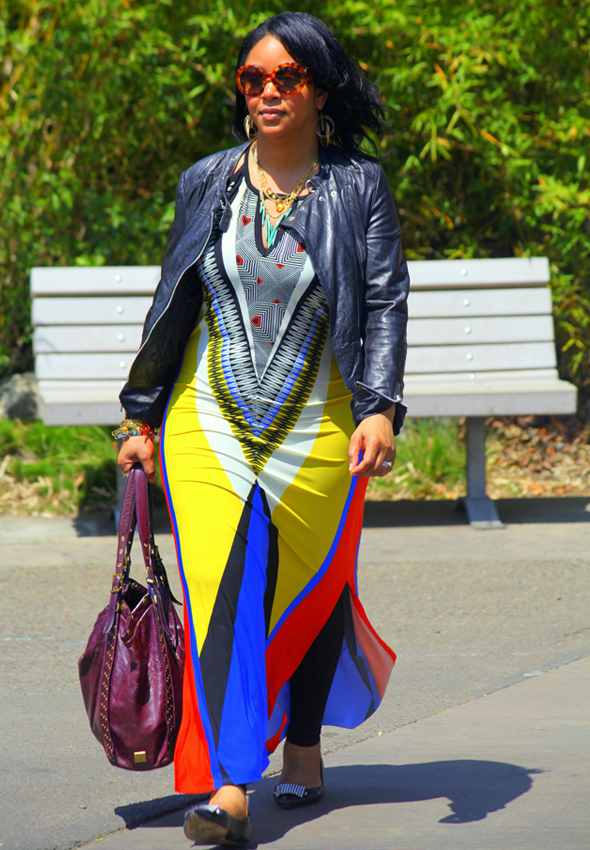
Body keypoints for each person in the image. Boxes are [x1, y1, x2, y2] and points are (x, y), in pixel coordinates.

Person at [116, 11, 409, 847]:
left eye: (289, 78)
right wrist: (140, 415)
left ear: (321, 89)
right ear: (240, 94)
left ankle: (305, 745)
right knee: (227, 595)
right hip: (204, 419)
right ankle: (231, 785)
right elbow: (173, 299)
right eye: (254, 79)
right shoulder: (206, 179)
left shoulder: (358, 186)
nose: (270, 91)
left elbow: (384, 297)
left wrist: (382, 406)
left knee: (308, 594)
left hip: (321, 423)